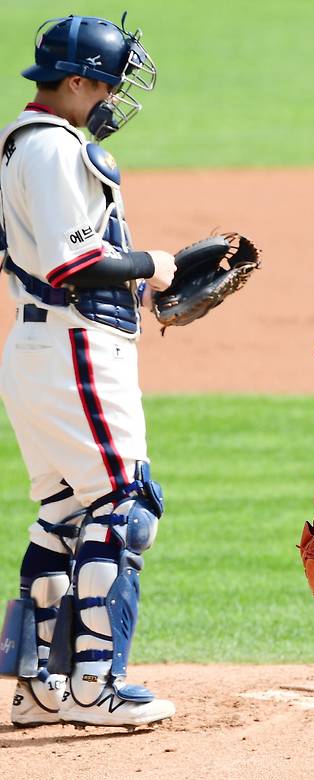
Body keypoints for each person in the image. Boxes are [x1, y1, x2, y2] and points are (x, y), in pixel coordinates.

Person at [0, 15, 177, 728]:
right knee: (122, 507)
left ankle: (38, 687)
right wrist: (150, 265)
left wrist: (138, 293)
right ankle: (95, 685)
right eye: (105, 84)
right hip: (76, 352)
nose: (110, 99)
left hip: (38, 349)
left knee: (65, 513)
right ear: (75, 81)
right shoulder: (55, 150)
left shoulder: (14, 145)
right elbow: (72, 263)